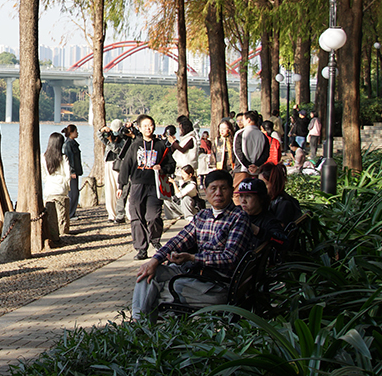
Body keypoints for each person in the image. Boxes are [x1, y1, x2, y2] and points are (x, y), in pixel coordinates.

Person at [131, 170, 253, 321]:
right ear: (205, 190)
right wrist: (154, 260)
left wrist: (193, 258)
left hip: (216, 284)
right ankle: (137, 324)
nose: (218, 193)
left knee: (155, 293)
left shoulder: (238, 218)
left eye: (223, 188)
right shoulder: (202, 216)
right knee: (146, 274)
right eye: (213, 188)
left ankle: (142, 329)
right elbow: (178, 240)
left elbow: (230, 258)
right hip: (194, 274)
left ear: (231, 191)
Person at [118, 115, 176, 260]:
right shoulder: (135, 144)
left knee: (154, 216)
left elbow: (172, 164)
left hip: (154, 185)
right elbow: (126, 165)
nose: (148, 128)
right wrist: (121, 185)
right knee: (136, 216)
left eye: (150, 125)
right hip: (137, 184)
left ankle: (155, 240)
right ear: (139, 128)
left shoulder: (161, 145)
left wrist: (162, 167)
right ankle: (141, 248)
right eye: (145, 126)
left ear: (154, 126)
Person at [235, 178, 287, 250]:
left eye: (248, 196)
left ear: (261, 199)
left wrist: (257, 231)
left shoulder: (269, 221)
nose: (243, 201)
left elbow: (283, 242)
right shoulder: (236, 212)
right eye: (241, 196)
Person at [99, 119, 130, 223]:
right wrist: (102, 130)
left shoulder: (125, 138)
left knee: (120, 189)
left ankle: (122, 213)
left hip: (119, 165)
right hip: (109, 164)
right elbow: (100, 138)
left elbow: (118, 151)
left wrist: (112, 142)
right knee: (109, 190)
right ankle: (111, 214)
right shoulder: (109, 136)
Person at [232, 111, 269, 192]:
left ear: (248, 120)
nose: (242, 122)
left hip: (242, 169)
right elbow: (265, 154)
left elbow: (237, 152)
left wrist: (248, 165)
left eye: (243, 119)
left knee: (238, 193)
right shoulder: (263, 135)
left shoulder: (240, 133)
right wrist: (256, 165)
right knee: (255, 193)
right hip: (256, 171)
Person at [41, 132, 71, 233]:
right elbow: (68, 175)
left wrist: (48, 181)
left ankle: (51, 231)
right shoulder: (63, 157)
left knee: (50, 213)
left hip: (49, 188)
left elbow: (44, 174)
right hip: (61, 188)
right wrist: (66, 186)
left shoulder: (44, 157)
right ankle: (63, 231)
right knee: (62, 214)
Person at [61, 124, 84, 219]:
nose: (77, 133)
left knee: (75, 192)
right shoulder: (68, 145)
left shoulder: (72, 143)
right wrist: (72, 171)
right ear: (71, 132)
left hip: (75, 171)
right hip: (72, 172)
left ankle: (72, 213)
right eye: (76, 131)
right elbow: (69, 159)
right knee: (73, 193)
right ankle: (70, 214)